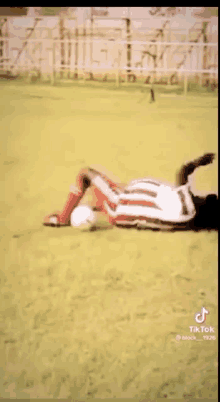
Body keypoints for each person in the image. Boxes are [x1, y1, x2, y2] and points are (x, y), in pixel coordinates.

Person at [43, 153, 217, 231]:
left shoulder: (186, 206)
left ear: (205, 203)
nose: (204, 195)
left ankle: (63, 219)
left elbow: (184, 171)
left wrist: (198, 163)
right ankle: (95, 206)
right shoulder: (186, 215)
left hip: (120, 202)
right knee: (98, 196)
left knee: (85, 173)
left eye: (208, 198)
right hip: (126, 200)